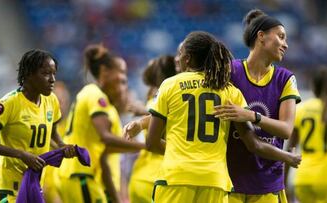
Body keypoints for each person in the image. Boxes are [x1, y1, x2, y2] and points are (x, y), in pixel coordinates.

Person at [145, 31, 300, 203]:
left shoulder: (170, 85)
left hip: (175, 177)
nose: (177, 59)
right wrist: (286, 156)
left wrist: (181, 153)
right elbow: (253, 144)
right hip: (215, 181)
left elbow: (151, 143)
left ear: (187, 59)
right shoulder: (230, 91)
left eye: (180, 55)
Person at [213, 9, 301, 203]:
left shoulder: (285, 78)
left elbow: (286, 130)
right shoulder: (230, 71)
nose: (285, 44)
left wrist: (252, 116)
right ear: (261, 36)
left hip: (267, 182)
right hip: (228, 179)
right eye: (281, 37)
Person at [0, 49, 76, 203]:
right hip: (7, 190)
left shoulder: (51, 101)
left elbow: (51, 131)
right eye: (46, 73)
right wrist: (21, 154)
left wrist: (62, 145)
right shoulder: (9, 103)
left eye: (54, 73)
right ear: (28, 74)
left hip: (34, 188)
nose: (52, 79)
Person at [57, 44, 145, 203]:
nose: (123, 80)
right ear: (104, 71)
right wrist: (147, 146)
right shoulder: (95, 94)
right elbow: (106, 138)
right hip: (82, 175)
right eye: (120, 74)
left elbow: (106, 151)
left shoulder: (106, 106)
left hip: (88, 177)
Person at [285, 68, 327, 203]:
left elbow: (290, 148)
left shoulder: (301, 109)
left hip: (302, 178)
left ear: (314, 86)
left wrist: (283, 182)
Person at [126, 55, 176, 203]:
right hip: (157, 178)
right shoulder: (169, 100)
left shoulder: (153, 100)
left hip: (140, 177)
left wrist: (143, 111)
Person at [43, 81, 71, 203]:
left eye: (64, 101)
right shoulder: (41, 129)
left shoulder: (72, 128)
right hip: (45, 190)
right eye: (58, 100)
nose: (61, 105)